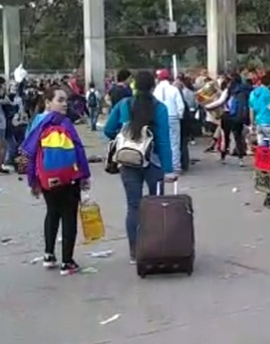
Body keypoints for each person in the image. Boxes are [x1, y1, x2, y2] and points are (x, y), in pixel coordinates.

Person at [103, 70, 176, 264]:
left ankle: (135, 251)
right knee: (156, 205)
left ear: (134, 86)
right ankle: (156, 246)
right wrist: (169, 169)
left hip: (128, 161)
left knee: (133, 206)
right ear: (153, 87)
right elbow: (163, 141)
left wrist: (123, 137)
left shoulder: (123, 105)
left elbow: (108, 130)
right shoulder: (159, 108)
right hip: (154, 163)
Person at [21, 86, 91, 275]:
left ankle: (49, 255)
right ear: (48, 102)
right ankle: (67, 262)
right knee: (69, 216)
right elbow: (79, 150)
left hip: (47, 178)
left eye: (65, 100)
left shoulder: (38, 122)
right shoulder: (65, 123)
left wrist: (32, 180)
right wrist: (84, 175)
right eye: (60, 100)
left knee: (52, 213)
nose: (64, 104)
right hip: (69, 178)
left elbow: (28, 152)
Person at [154, 69, 185, 174]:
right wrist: (179, 115)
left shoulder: (156, 90)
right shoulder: (174, 89)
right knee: (174, 142)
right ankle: (176, 166)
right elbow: (180, 105)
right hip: (173, 117)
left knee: (161, 141)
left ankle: (162, 165)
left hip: (160, 117)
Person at [221, 73, 252, 166]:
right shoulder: (245, 90)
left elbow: (221, 101)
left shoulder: (229, 90)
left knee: (225, 137)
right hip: (238, 117)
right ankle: (241, 159)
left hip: (227, 115)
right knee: (238, 137)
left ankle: (223, 157)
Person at [249, 71, 270, 145]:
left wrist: (252, 124)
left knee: (262, 148)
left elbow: (251, 111)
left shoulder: (252, 94)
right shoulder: (267, 92)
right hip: (269, 122)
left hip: (258, 123)